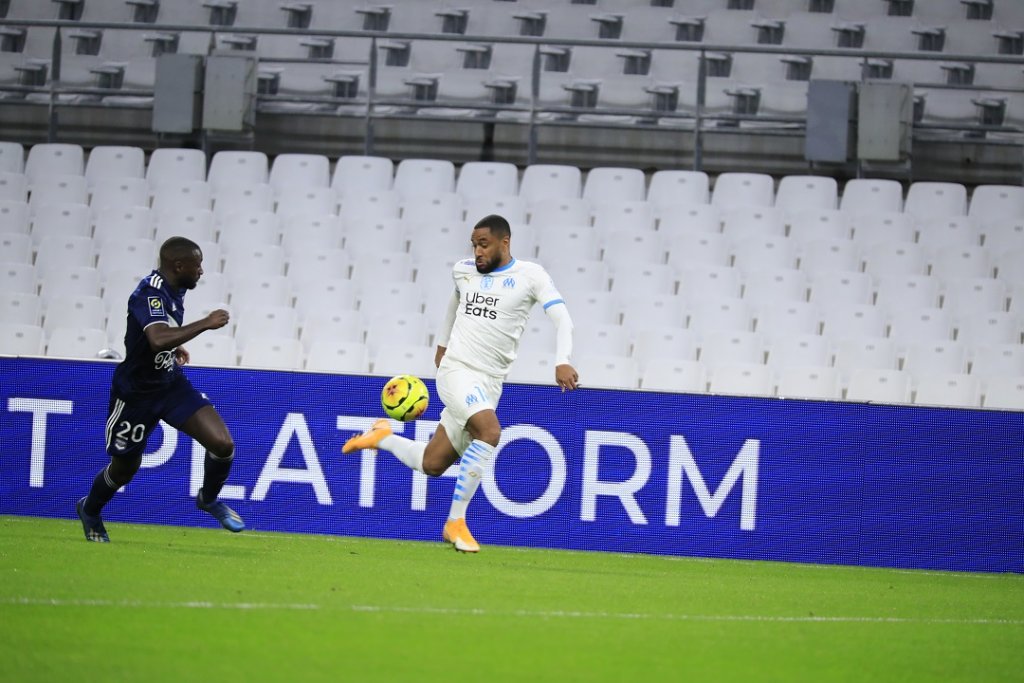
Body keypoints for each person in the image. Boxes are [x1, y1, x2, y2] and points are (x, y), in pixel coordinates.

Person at [343, 214, 578, 553]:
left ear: (504, 242)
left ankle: (383, 438)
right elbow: (453, 306)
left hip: (490, 382)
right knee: (490, 432)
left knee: (432, 463)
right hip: (457, 371)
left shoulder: (531, 276)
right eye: (474, 245)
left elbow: (562, 317)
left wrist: (562, 359)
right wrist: (441, 346)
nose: (477, 251)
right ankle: (455, 522)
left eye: (483, 244)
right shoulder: (464, 270)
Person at [76, 236, 244, 542]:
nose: (202, 271)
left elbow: (158, 339)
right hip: (136, 395)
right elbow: (156, 338)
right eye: (198, 265)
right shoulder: (149, 293)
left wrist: (174, 347)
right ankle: (90, 509)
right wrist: (205, 323)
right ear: (178, 265)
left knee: (222, 444)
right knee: (125, 468)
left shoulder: (174, 288)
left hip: (169, 384)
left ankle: (207, 499)